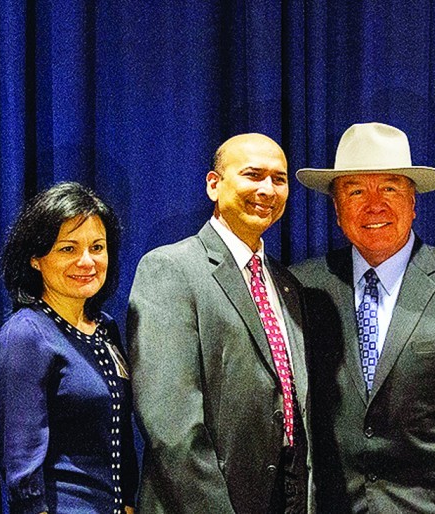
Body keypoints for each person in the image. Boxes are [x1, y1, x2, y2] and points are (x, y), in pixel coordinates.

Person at [291, 122, 435, 513]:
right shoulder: (301, 287)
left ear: (413, 202)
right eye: (356, 190)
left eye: (390, 189)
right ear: (336, 207)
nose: (374, 204)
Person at [128, 133, 311, 513]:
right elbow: (172, 428)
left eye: (279, 179)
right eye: (253, 175)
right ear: (214, 185)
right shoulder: (171, 269)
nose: (267, 189)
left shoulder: (288, 283)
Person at [0, 182, 136, 514]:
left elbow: (121, 440)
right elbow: (21, 463)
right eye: (68, 249)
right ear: (35, 259)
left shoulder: (105, 327)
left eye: (97, 247)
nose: (86, 261)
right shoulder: (26, 334)